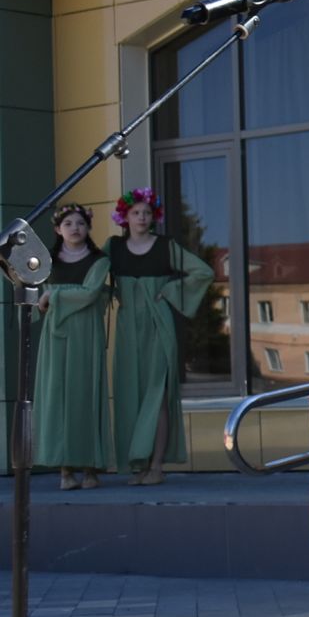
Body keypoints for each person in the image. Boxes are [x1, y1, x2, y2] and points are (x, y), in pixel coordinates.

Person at [108, 188, 213, 484]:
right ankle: (139, 465)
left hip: (158, 324)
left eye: (146, 212)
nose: (142, 217)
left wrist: (169, 291)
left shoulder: (165, 246)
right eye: (135, 212)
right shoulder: (113, 247)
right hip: (128, 327)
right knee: (132, 394)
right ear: (124, 217)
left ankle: (156, 466)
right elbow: (92, 273)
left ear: (154, 217)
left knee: (158, 394)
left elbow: (202, 272)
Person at [34, 204, 111, 489]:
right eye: (68, 223)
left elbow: (90, 293)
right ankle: (65, 470)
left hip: (86, 334)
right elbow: (39, 298)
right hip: (56, 336)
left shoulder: (99, 260)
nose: (75, 228)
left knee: (85, 395)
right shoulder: (48, 262)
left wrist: (53, 295)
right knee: (58, 397)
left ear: (88, 228)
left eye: (80, 223)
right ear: (58, 229)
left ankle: (90, 467)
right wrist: (49, 296)